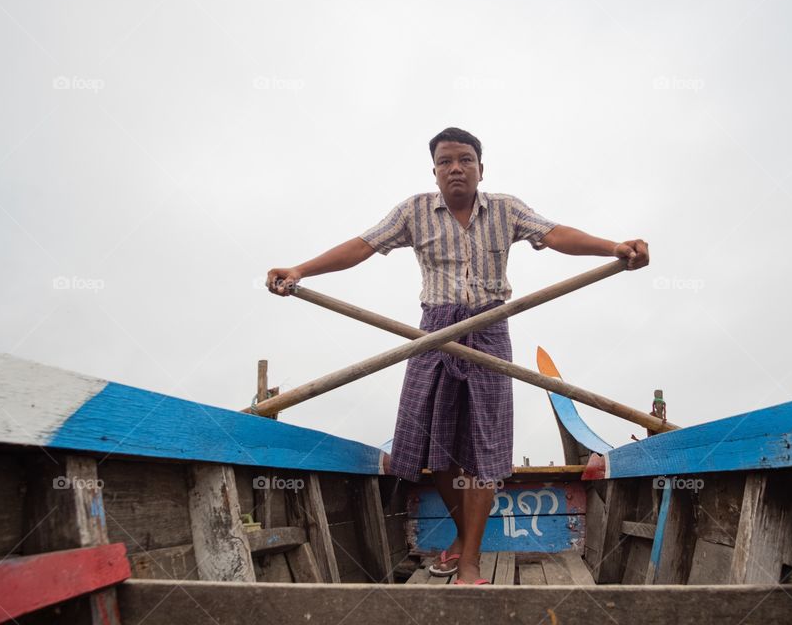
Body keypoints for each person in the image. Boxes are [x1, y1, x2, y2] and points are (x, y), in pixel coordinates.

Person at [267, 127, 649, 584]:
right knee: (432, 443)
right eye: (446, 161)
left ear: (480, 169)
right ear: (434, 171)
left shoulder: (506, 209)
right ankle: (460, 540)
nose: (456, 168)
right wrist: (301, 269)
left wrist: (613, 248)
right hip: (434, 330)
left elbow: (556, 233)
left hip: (489, 329)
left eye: (465, 159)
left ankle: (468, 563)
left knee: (485, 448)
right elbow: (362, 246)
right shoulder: (414, 211)